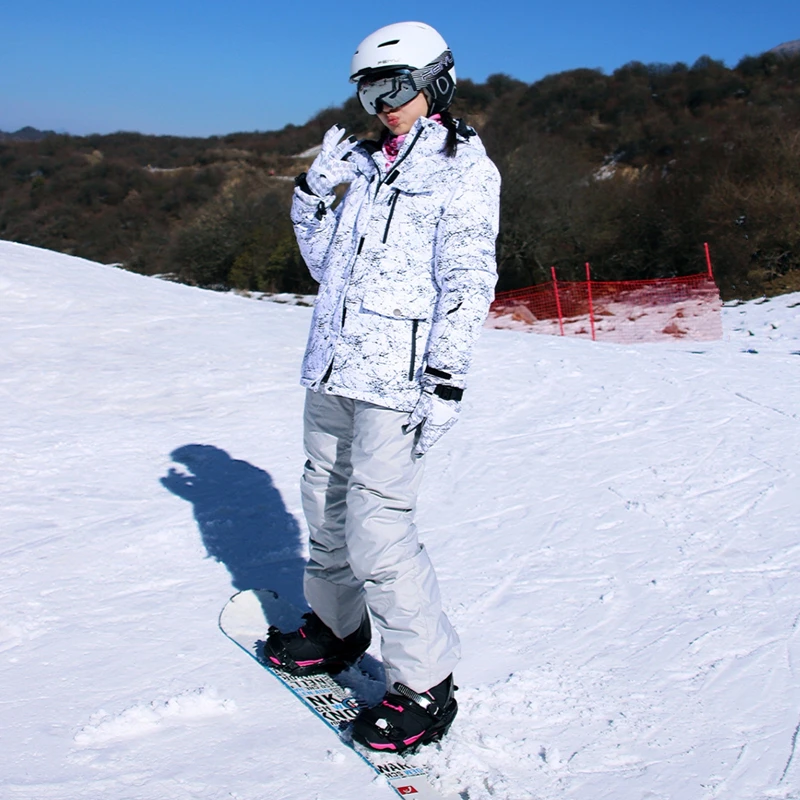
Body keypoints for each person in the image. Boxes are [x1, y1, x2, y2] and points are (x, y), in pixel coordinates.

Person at [266, 20, 501, 753]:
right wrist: (312, 193)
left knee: (379, 532)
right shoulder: (361, 164)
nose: (380, 103)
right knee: (323, 511)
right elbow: (322, 266)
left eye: (393, 86)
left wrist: (446, 382)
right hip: (335, 368)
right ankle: (336, 628)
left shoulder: (464, 170)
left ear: (435, 83)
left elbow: (468, 281)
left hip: (397, 383)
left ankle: (426, 684)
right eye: (368, 88)